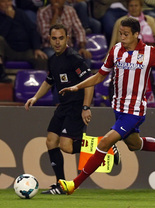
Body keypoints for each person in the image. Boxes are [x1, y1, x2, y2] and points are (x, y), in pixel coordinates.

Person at [57, 17, 155, 195]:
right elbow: (100, 75)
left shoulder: (149, 53)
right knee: (134, 144)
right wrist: (78, 86)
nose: (122, 37)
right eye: (120, 34)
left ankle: (74, 184)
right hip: (118, 108)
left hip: (134, 110)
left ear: (136, 34)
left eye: (125, 34)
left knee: (106, 142)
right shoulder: (116, 51)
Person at [24, 24, 119, 194]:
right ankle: (61, 185)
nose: (58, 42)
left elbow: (89, 83)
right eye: (54, 38)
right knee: (50, 142)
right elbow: (49, 81)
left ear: (67, 39)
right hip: (63, 106)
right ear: (49, 39)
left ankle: (105, 147)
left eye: (61, 38)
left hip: (76, 105)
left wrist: (85, 107)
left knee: (66, 146)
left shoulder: (74, 58)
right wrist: (35, 97)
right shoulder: (52, 60)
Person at [0, 0, 48, 83]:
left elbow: (32, 31)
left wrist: (37, 48)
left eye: (9, 1)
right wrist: (9, 19)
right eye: (4, 2)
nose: (7, 4)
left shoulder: (20, 13)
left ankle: (41, 88)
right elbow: (2, 34)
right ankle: (1, 74)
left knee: (41, 59)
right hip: (8, 51)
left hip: (25, 49)